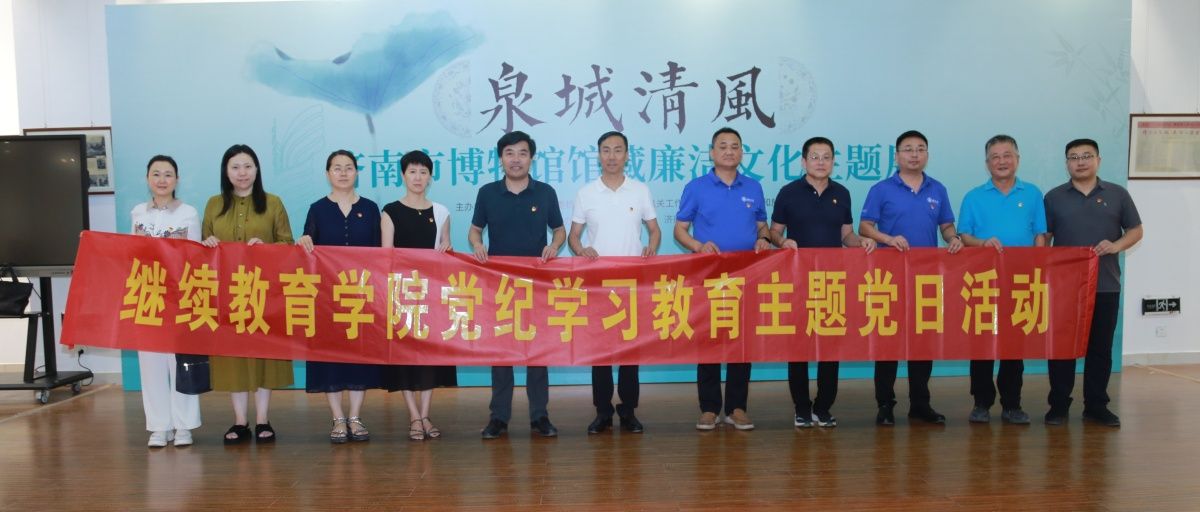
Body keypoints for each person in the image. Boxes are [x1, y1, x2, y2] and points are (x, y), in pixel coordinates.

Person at [767, 136, 876, 429]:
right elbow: (774, 232)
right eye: (814, 157)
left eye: (826, 157)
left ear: (833, 161)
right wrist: (783, 241)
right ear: (804, 162)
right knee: (798, 347)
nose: (820, 162)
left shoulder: (842, 193)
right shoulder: (788, 193)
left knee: (830, 347)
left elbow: (846, 235)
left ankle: (823, 407)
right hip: (797, 281)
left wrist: (861, 242)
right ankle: (802, 407)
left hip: (831, 282)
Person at [859, 130, 962, 426]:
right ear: (897, 156)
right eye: (908, 149)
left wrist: (953, 238)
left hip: (925, 279)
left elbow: (946, 225)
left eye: (920, 149)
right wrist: (888, 239)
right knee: (888, 343)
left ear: (927, 154)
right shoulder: (881, 189)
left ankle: (920, 403)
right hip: (888, 279)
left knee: (922, 342)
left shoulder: (937, 189)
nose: (914, 154)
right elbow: (865, 227)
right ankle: (885, 404)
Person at [469, 131, 565, 439]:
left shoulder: (545, 192)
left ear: (531, 158)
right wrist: (477, 245)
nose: (516, 159)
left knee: (537, 353)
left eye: (522, 153)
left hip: (537, 284)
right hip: (499, 285)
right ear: (501, 159)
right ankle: (499, 417)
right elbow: (475, 230)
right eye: (509, 153)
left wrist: (554, 246)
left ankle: (540, 416)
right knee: (501, 354)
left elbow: (559, 230)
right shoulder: (487, 193)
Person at [674, 127, 771, 431]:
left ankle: (737, 407)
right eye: (723, 146)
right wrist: (698, 246)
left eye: (735, 146)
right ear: (712, 152)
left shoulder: (753, 187)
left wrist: (764, 238)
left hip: (746, 277)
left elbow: (762, 225)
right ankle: (709, 408)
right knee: (709, 340)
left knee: (742, 342)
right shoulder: (697, 187)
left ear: (742, 152)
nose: (729, 151)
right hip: (709, 277)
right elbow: (680, 230)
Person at [1044, 138, 1143, 427]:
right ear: (1067, 164)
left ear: (1098, 160)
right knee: (1062, 348)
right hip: (1064, 288)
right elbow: (1044, 238)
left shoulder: (1117, 194)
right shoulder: (1053, 197)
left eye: (1086, 156)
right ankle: (1058, 406)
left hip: (1105, 284)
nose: (1080, 162)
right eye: (1074, 157)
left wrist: (1116, 245)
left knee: (1100, 349)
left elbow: (1136, 230)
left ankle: (1096, 406)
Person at [567, 131, 661, 435]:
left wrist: (651, 248)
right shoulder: (586, 193)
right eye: (606, 150)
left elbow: (655, 230)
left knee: (630, 352)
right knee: (601, 353)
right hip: (599, 285)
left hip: (633, 285)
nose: (611, 156)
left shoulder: (640, 190)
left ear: (627, 155)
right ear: (598, 155)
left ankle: (629, 410)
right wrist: (581, 250)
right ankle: (603, 411)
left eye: (618, 150)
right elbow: (573, 236)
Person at [201, 144, 294, 444]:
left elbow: (288, 244)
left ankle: (263, 419)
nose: (242, 173)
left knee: (264, 355)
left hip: (263, 293)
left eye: (248, 166)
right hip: (227, 295)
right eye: (235, 167)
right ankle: (240, 421)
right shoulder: (214, 204)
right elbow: (201, 247)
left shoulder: (273, 203)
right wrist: (208, 243)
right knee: (233, 357)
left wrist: (267, 249)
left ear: (257, 170)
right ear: (226, 172)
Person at [296, 150, 384, 444]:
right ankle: (337, 419)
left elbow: (380, 252)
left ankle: (355, 417)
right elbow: (308, 246)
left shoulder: (370, 208)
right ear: (327, 174)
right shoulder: (317, 209)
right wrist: (304, 241)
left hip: (361, 296)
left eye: (348, 167)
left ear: (357, 172)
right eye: (337, 168)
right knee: (329, 358)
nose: (343, 173)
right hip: (327, 298)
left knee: (360, 357)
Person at [957, 135, 1046, 425]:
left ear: (1017, 159)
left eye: (1007, 155)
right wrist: (982, 243)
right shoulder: (973, 197)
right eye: (995, 157)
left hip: (1020, 281)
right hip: (983, 281)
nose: (1001, 161)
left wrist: (1038, 269)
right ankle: (981, 402)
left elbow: (1040, 235)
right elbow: (964, 236)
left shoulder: (1032, 194)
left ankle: (1012, 404)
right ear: (987, 163)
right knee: (981, 346)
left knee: (1014, 347)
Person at [381, 149, 457, 441]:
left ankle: (425, 414)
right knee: (404, 357)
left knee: (429, 357)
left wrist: (447, 251)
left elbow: (447, 249)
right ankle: (413, 415)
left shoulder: (441, 212)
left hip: (432, 293)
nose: (417, 177)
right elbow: (386, 256)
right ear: (403, 175)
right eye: (412, 171)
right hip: (402, 293)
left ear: (430, 177)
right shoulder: (390, 211)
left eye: (423, 172)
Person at [132, 155, 202, 448]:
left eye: (168, 174)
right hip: (146, 295)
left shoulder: (188, 213)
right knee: (150, 364)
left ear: (177, 179)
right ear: (147, 178)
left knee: (180, 363)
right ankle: (159, 426)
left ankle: (184, 426)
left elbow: (195, 255)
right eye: (156, 174)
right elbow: (132, 253)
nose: (162, 180)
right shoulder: (138, 213)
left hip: (178, 296)